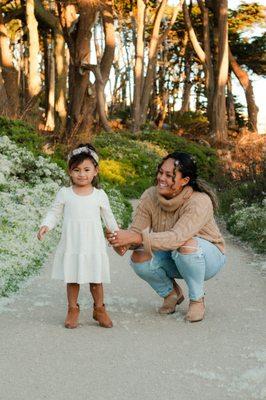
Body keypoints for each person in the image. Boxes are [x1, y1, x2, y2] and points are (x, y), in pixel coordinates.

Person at [107, 152, 226, 323]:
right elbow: (136, 234)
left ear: (184, 180)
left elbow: (177, 237)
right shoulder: (150, 195)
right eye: (160, 172)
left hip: (207, 257)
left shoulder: (199, 201)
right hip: (174, 253)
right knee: (140, 255)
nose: (161, 178)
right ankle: (171, 294)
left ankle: (197, 299)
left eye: (169, 175)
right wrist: (118, 237)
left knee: (186, 244)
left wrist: (135, 237)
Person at [37, 144, 119, 329]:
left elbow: (109, 217)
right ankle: (72, 309)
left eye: (87, 170)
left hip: (93, 244)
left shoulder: (99, 195)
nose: (82, 174)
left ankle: (99, 309)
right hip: (73, 243)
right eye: (77, 170)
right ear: (70, 171)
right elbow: (55, 212)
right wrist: (46, 225)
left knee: (96, 278)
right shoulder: (65, 193)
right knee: (72, 277)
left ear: (95, 171)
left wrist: (117, 235)